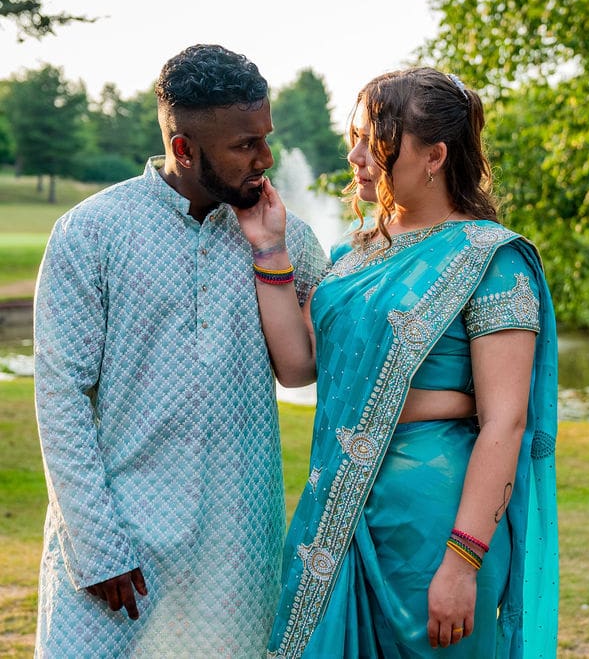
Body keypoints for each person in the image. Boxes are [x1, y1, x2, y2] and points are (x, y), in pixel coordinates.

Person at [233, 67, 559, 657]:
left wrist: (462, 563)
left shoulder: (491, 260)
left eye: (374, 142)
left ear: (434, 156)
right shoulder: (353, 257)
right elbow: (302, 367)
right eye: (354, 136)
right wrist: (269, 250)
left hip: (432, 520)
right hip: (337, 510)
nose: (355, 155)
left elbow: (506, 421)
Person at [31, 44, 331, 656]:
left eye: (266, 138)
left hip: (239, 548)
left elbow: (317, 362)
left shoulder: (288, 237)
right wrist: (96, 545)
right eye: (244, 144)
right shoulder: (91, 232)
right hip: (120, 548)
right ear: (186, 147)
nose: (265, 158)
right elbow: (61, 396)